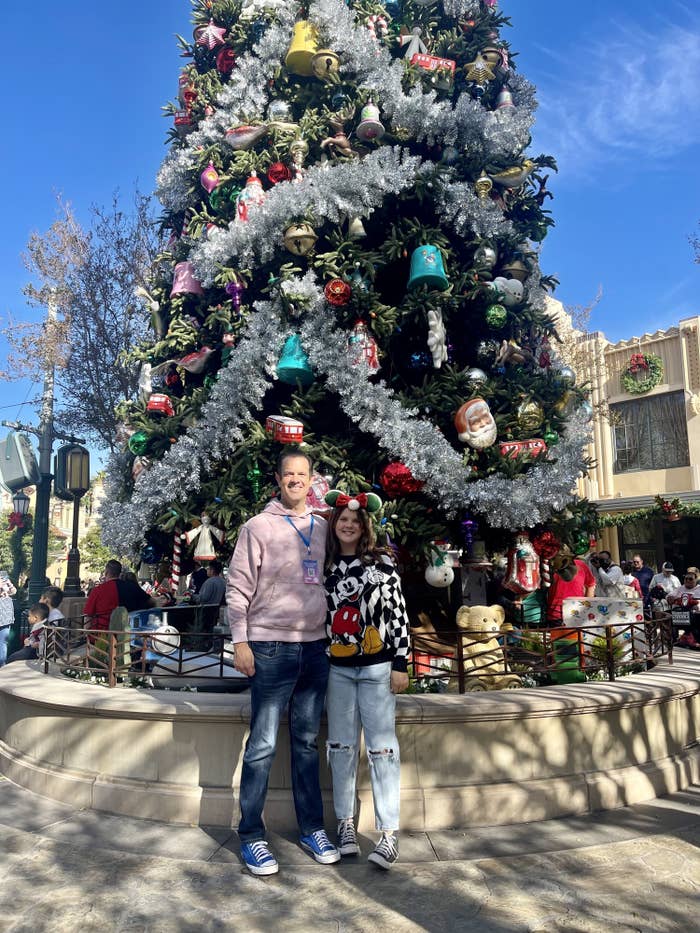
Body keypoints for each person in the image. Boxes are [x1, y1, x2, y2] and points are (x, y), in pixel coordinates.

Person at [227, 449, 338, 876]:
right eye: (289, 474)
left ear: (312, 480)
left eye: (302, 474)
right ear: (278, 478)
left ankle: (312, 827)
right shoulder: (258, 526)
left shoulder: (324, 527)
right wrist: (241, 642)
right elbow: (237, 587)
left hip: (315, 648)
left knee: (307, 743)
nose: (296, 480)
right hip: (270, 647)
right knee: (263, 745)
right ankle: (252, 835)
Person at [323, 490, 410, 870]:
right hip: (336, 668)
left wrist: (401, 661)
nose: (348, 525)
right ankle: (345, 824)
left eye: (355, 521)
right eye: (343, 519)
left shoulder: (382, 564)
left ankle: (389, 833)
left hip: (377, 667)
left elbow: (397, 611)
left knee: (382, 750)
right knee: (340, 747)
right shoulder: (323, 567)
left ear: (364, 526)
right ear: (335, 523)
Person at [83, 560, 156, 633]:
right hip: (130, 635)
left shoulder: (97, 591)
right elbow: (152, 602)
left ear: (106, 573)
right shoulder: (132, 587)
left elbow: (88, 616)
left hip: (103, 636)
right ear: (120, 573)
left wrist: (87, 635)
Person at [546, 546, 596, 624]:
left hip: (577, 611)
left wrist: (586, 606)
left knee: (576, 636)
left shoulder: (581, 565)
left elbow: (591, 584)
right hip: (555, 613)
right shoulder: (550, 566)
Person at [0, 572, 17, 668]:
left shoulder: (4, 580)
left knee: (2, 643)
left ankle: (2, 666)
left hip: (5, 617)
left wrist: (9, 584)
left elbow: (13, 592)